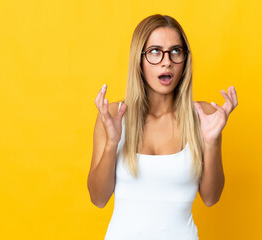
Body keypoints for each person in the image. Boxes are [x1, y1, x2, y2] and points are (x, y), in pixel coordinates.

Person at [87, 14, 238, 240]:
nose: (167, 61)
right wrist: (112, 143)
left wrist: (211, 142)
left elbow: (211, 197)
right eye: (155, 52)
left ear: (185, 60)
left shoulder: (203, 115)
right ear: (139, 60)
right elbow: (98, 198)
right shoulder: (114, 115)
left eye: (176, 51)